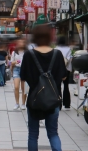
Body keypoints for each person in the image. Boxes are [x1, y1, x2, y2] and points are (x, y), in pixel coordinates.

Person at [20, 23, 66, 151]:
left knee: (33, 135)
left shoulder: (29, 55)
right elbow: (63, 77)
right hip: (53, 99)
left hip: (35, 99)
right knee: (53, 133)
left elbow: (23, 76)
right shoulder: (57, 54)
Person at [54, 36, 72, 109]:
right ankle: (67, 104)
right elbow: (70, 59)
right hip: (66, 69)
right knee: (66, 86)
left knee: (58, 86)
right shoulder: (68, 49)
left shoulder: (55, 49)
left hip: (57, 69)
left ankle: (59, 104)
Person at [10, 38, 28, 110]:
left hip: (25, 70)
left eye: (22, 42)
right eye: (19, 42)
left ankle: (23, 103)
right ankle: (17, 103)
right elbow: (10, 63)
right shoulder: (14, 52)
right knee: (16, 87)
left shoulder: (27, 52)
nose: (21, 44)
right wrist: (14, 62)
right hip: (16, 69)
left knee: (24, 88)